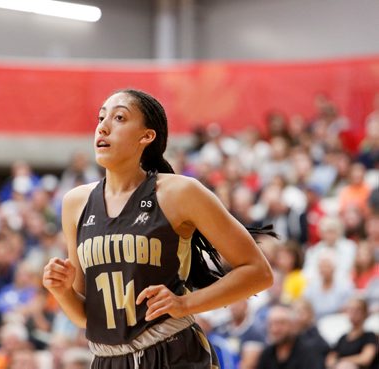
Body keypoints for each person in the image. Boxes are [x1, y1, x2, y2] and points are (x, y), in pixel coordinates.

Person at [42, 89, 274, 369]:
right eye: (101, 117)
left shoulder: (180, 192)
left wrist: (185, 304)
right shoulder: (75, 202)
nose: (102, 126)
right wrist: (62, 291)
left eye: (119, 118)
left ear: (146, 136)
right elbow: (86, 316)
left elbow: (258, 272)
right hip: (107, 360)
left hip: (173, 354)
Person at [255, 305, 324, 369]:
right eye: (271, 324)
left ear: (293, 325)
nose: (274, 329)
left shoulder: (309, 351)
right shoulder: (267, 354)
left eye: (281, 323)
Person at [326, 297, 378, 369]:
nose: (353, 313)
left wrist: (341, 360)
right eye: (350, 310)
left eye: (357, 310)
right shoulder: (343, 338)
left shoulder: (370, 336)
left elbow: (365, 359)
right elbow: (330, 359)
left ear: (365, 313)